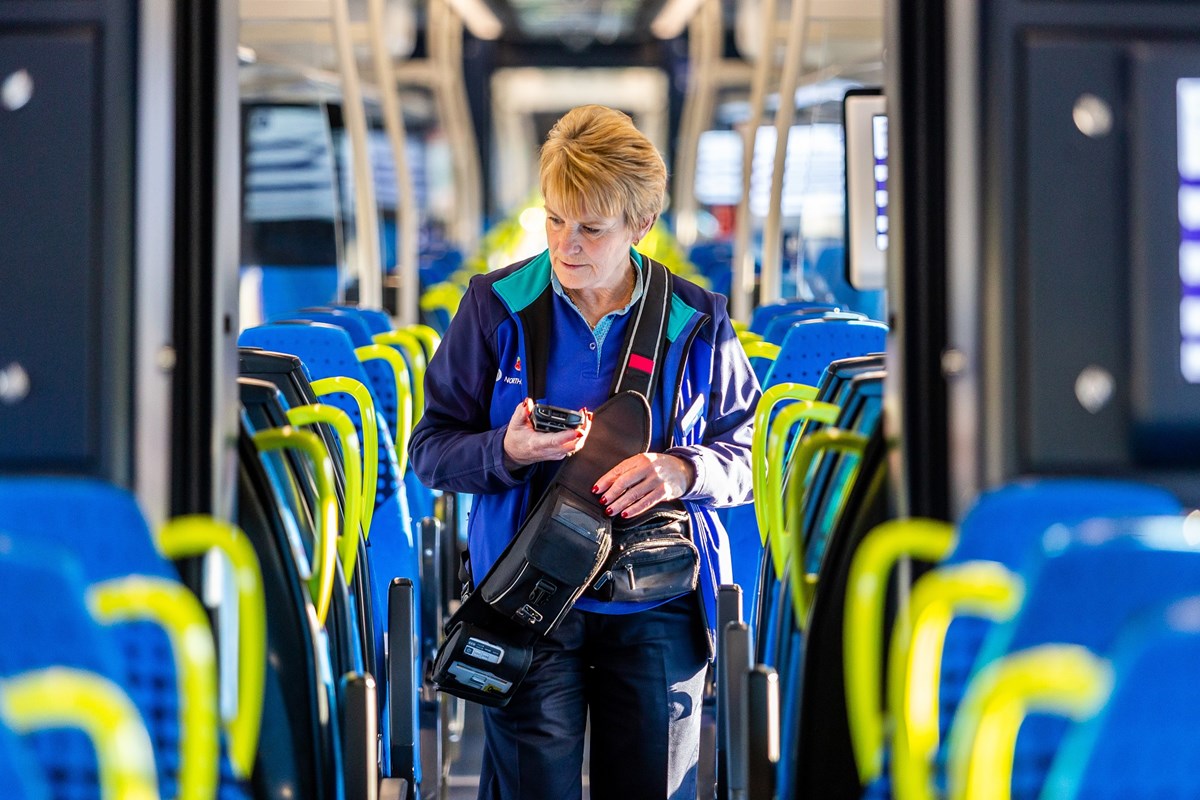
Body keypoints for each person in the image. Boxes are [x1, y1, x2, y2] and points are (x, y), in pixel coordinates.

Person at [410, 104, 760, 799]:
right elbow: (430, 451)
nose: (567, 244)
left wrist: (682, 470)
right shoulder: (493, 307)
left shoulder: (696, 320)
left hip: (656, 602)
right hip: (528, 601)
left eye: (592, 228)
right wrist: (505, 452)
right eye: (555, 219)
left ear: (641, 226)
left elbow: (749, 455)